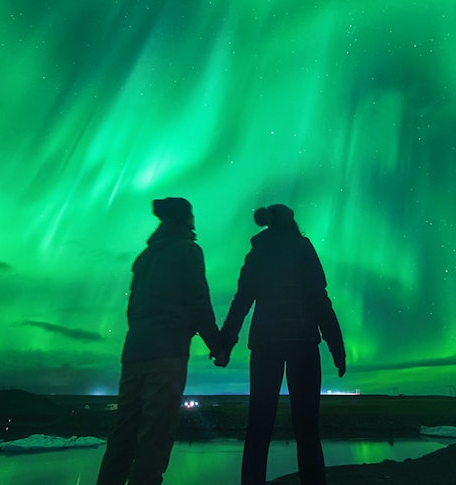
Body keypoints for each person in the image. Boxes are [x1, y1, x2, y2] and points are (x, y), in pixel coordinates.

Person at [97, 197, 228, 485]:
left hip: (134, 353)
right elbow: (198, 302)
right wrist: (217, 346)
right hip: (167, 354)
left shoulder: (144, 258)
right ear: (185, 219)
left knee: (123, 434)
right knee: (155, 435)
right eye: (192, 214)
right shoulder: (188, 251)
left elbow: (132, 308)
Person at [219, 204, 346, 485]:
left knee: (258, 427)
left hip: (265, 344)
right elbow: (319, 298)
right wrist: (336, 345)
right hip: (303, 344)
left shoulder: (258, 252)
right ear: (291, 222)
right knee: (307, 430)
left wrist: (225, 343)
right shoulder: (302, 248)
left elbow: (242, 301)